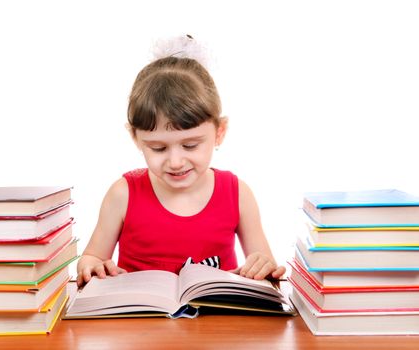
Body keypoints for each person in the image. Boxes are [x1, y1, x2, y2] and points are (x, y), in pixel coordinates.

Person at [76, 35, 285, 287]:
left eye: (190, 145)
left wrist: (262, 265)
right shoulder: (123, 194)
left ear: (219, 132)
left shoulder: (237, 193)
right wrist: (92, 266)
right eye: (158, 148)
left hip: (217, 323)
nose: (175, 162)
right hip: (139, 321)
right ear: (135, 138)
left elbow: (265, 265)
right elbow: (91, 257)